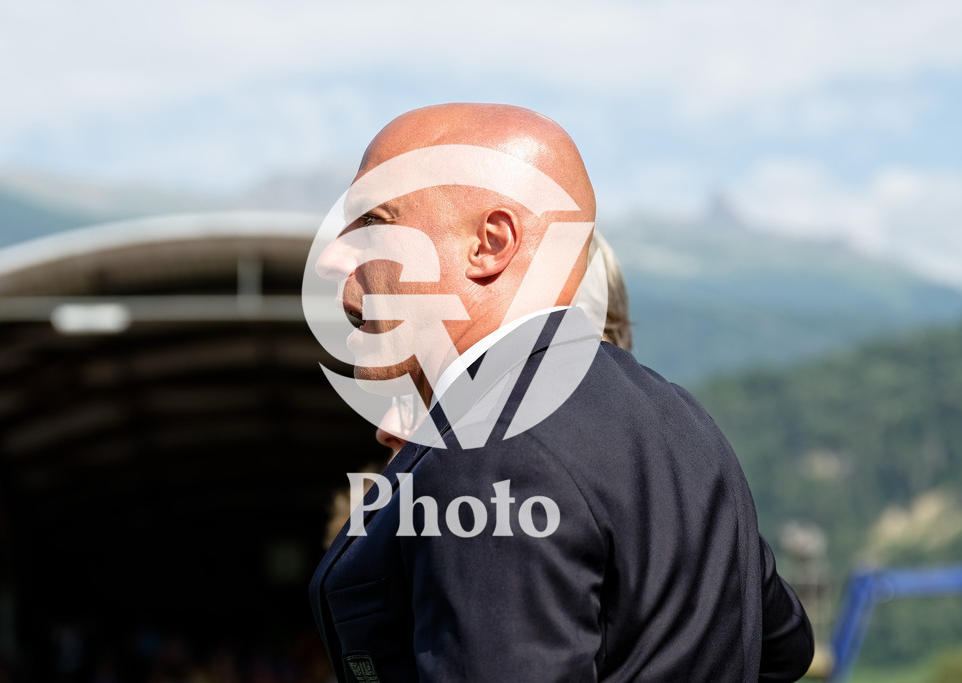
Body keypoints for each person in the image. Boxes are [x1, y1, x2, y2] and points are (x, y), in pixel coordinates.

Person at [309, 103, 813, 682]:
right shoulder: (680, 418)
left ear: (490, 243)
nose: (330, 258)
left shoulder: (489, 441)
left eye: (372, 222)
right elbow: (781, 644)